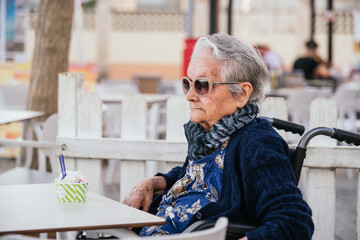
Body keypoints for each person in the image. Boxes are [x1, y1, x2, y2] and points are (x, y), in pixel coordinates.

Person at [124, 33, 314, 239]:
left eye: (202, 85)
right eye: (188, 83)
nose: (189, 95)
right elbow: (197, 177)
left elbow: (294, 221)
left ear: (242, 93)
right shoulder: (210, 135)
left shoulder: (257, 143)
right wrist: (155, 182)